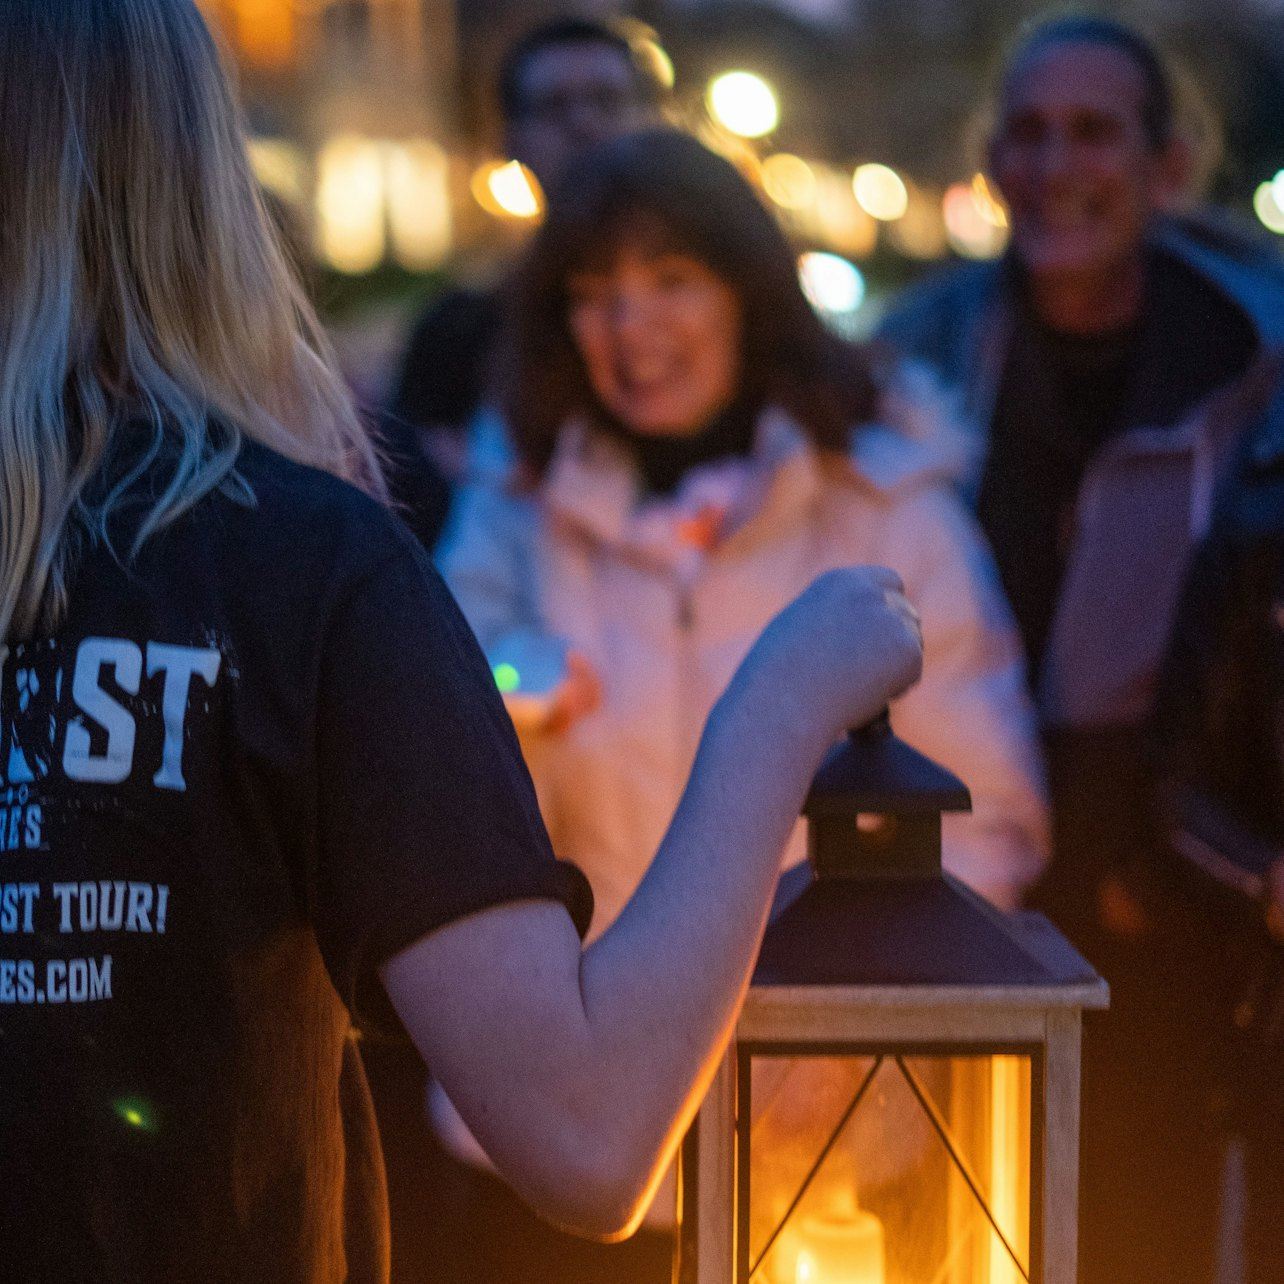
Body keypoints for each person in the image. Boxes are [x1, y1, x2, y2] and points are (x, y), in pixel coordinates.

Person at [0, 3, 927, 1281]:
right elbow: (585, 1131)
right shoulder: (297, 566)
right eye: (599, 295)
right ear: (197, 184)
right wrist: (780, 703)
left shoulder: (308, 565)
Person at [436, 128, 1049, 1282]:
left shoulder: (883, 504)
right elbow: (443, 761)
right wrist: (521, 685)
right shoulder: (515, 501)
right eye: (593, 292)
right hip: (561, 1135)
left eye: (672, 279)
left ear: (747, 293)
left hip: (822, 1143)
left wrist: (846, 1040)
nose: (631, 326)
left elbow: (985, 814)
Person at [878, 14, 1284, 1282]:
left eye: (1095, 131)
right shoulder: (913, 355)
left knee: (1148, 1200)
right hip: (960, 826)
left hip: (1181, 850)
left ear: (1169, 162)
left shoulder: (1259, 352)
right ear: (993, 158)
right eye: (1030, 133)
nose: (1059, 166)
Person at [383, 17, 664, 548]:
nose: (582, 123)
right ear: (510, 141)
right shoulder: (455, 334)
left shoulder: (723, 307)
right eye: (553, 106)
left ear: (650, 120)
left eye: (606, 101)